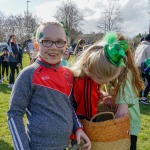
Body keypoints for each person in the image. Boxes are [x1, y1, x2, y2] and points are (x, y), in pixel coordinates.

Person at [7, 21, 91, 150]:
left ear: (66, 46)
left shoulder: (68, 75)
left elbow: (69, 108)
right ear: (36, 45)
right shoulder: (28, 74)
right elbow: (14, 114)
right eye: (46, 41)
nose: (53, 47)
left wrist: (78, 127)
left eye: (59, 42)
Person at [100, 33, 144, 150]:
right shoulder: (113, 72)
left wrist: (106, 129)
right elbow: (114, 96)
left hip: (127, 127)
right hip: (121, 124)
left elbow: (123, 111)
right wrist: (106, 96)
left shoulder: (125, 75)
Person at [135, 34, 150, 102]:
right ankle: (144, 97)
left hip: (137, 66)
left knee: (140, 82)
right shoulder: (148, 47)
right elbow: (149, 59)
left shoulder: (139, 46)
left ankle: (139, 97)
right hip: (145, 66)